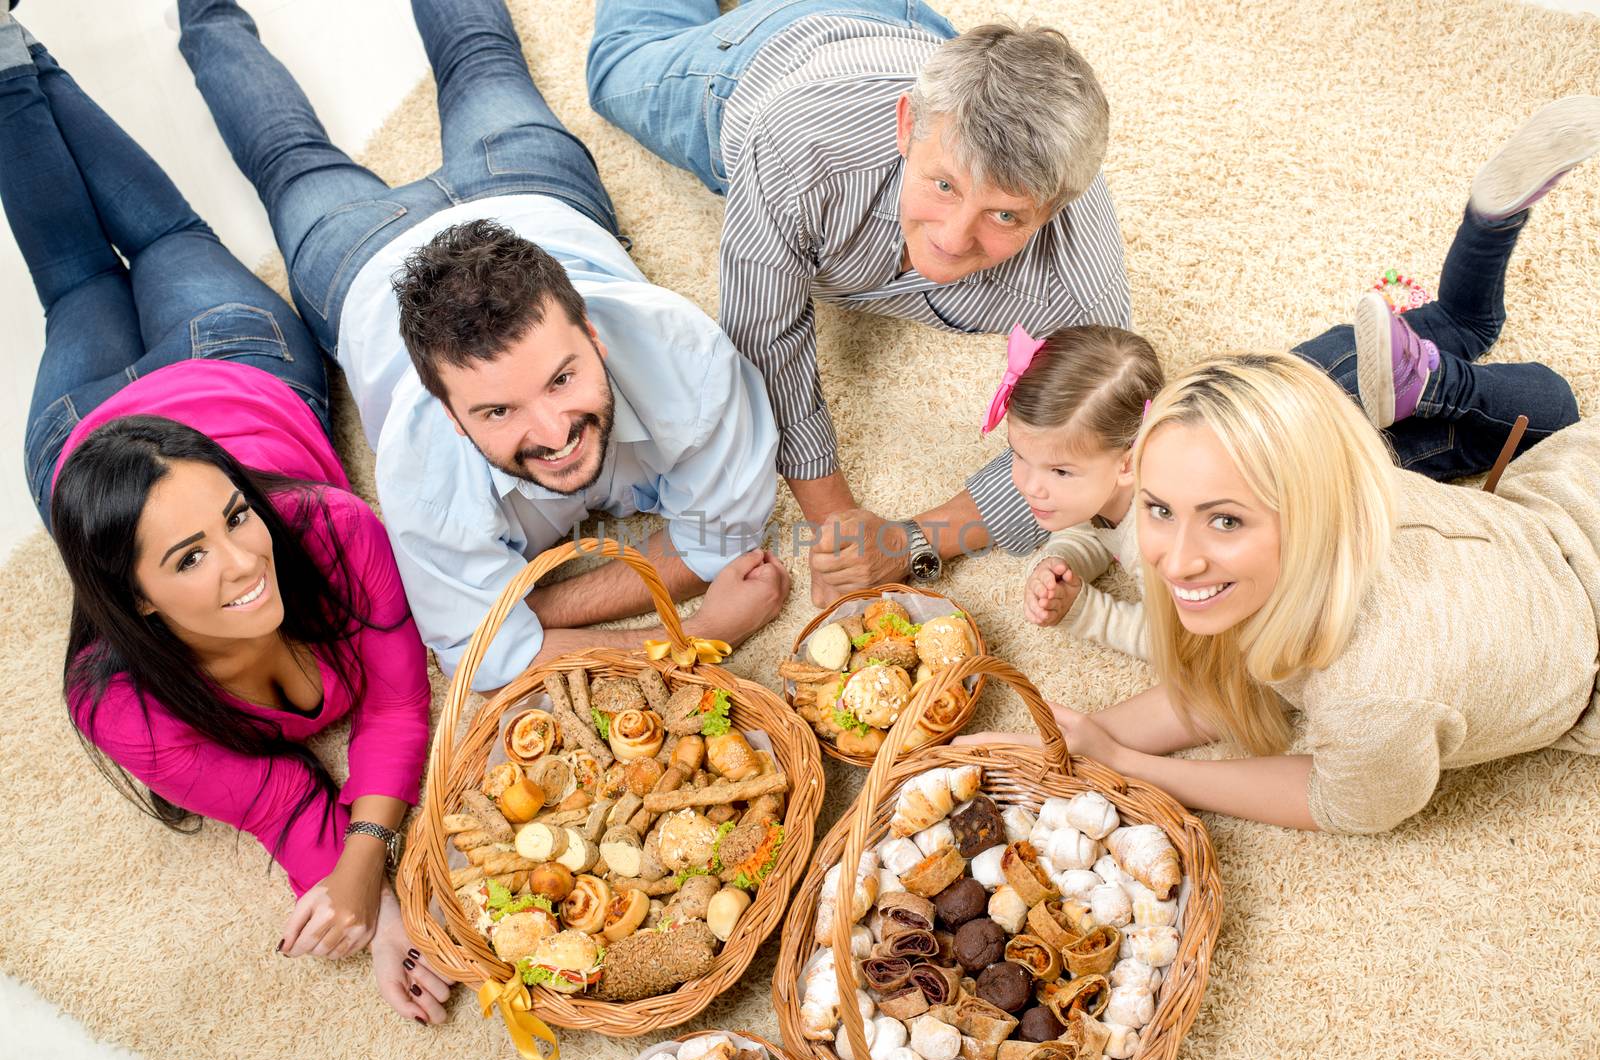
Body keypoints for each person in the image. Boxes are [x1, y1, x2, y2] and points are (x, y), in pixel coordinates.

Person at [1, 15, 448, 1024]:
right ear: (134, 598)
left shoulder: (326, 530)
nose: (249, 561)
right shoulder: (119, 704)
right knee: (72, 275)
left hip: (227, 364)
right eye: (191, 559)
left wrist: (366, 868)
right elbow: (276, 799)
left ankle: (22, 60)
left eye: (236, 518)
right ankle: (18, 63)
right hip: (87, 458)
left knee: (158, 240)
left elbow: (393, 705)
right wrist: (372, 913)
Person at [177, 0, 790, 693]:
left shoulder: (681, 347)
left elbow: (724, 533)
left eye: (562, 378)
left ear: (593, 333)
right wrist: (695, 635)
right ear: (444, 410)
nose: (554, 433)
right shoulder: (422, 467)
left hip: (526, 190)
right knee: (283, 154)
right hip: (361, 260)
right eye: (498, 411)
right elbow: (484, 657)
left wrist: (531, 611)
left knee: (478, 52)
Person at [1008, 97, 1592, 659]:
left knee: (1556, 414)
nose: (1032, 487)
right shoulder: (1126, 457)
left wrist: (1087, 612)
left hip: (1338, 442)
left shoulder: (1168, 540)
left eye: (1058, 471)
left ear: (1130, 460)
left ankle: (1433, 385)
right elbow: (1100, 527)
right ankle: (1490, 219)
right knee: (1464, 320)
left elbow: (1188, 640)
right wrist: (1066, 555)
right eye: (1022, 459)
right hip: (1307, 372)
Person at [586, 3, 1131, 602]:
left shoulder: (1078, 281)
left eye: (1004, 214)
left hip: (917, 46)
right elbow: (763, 343)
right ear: (907, 126)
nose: (952, 239)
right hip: (770, 60)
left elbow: (1086, 454)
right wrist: (838, 530)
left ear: (1054, 207)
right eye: (943, 185)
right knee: (611, 74)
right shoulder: (799, 139)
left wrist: (908, 543)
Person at [966, 343, 1600, 834]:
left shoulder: (1376, 689)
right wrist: (1070, 744)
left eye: (1225, 520)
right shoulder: (1313, 505)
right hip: (1565, 487)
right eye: (1158, 509)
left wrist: (1129, 766)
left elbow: (1350, 804)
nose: (1176, 562)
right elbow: (1233, 686)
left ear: (1308, 513)